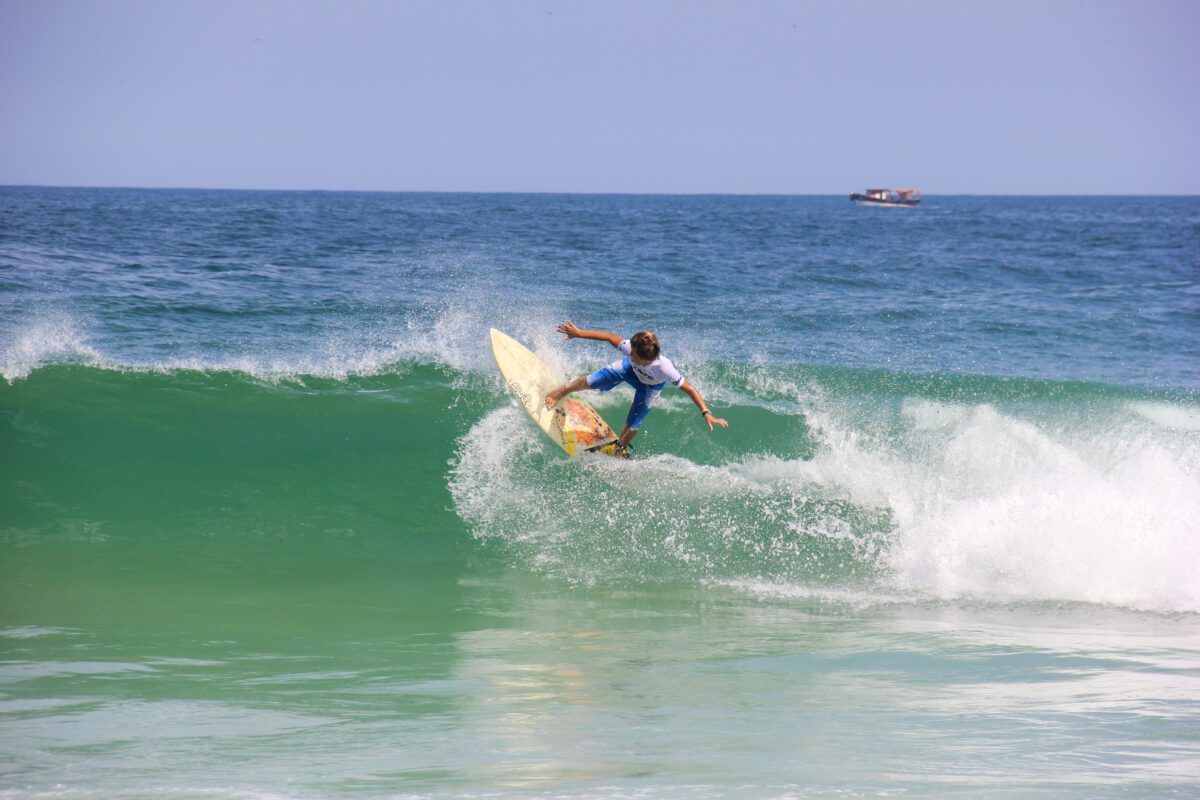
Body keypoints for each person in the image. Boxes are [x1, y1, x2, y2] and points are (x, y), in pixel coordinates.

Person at [543, 321, 728, 455]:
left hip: (650, 387)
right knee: (591, 381)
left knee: (633, 423)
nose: (630, 354)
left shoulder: (665, 368)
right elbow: (608, 337)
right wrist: (579, 333)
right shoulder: (631, 351)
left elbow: (690, 389)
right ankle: (562, 391)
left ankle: (620, 447)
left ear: (646, 359)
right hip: (628, 372)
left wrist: (706, 412)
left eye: (634, 356)